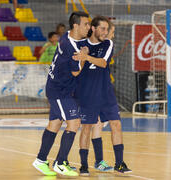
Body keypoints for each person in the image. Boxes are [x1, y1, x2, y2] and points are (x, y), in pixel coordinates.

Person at [32, 11, 90, 177]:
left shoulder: (68, 35)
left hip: (58, 87)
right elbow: (76, 72)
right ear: (76, 26)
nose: (88, 27)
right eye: (86, 24)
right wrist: (84, 57)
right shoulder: (69, 46)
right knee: (74, 122)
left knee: (55, 124)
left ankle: (41, 160)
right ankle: (60, 162)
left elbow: (84, 41)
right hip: (60, 90)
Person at [73, 16, 131, 176]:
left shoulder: (108, 44)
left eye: (107, 29)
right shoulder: (80, 44)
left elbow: (103, 63)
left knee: (116, 125)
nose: (106, 32)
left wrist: (86, 57)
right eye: (103, 29)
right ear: (93, 28)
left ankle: (119, 163)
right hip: (87, 94)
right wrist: (82, 58)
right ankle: (84, 165)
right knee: (86, 128)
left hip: (106, 93)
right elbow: (75, 68)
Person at [90, 21, 115, 172]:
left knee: (97, 125)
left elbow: (102, 64)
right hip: (86, 91)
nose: (111, 35)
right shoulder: (92, 45)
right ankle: (61, 160)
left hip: (100, 92)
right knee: (78, 124)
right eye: (110, 31)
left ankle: (99, 161)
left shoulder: (106, 46)